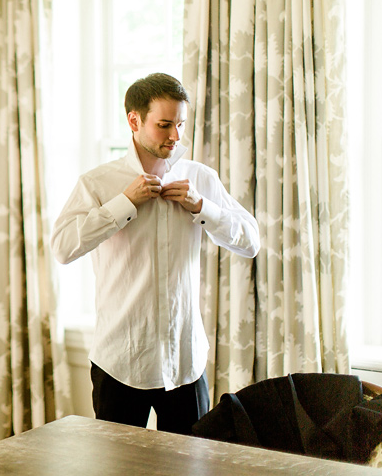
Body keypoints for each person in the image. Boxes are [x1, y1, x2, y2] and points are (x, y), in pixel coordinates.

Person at [50, 73, 260, 435]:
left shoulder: (200, 179)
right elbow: (63, 247)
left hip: (185, 363)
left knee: (191, 462)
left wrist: (202, 207)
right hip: (120, 361)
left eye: (181, 124)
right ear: (134, 121)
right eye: (164, 125)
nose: (176, 136)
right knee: (117, 464)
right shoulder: (97, 183)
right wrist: (123, 204)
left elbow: (250, 240)